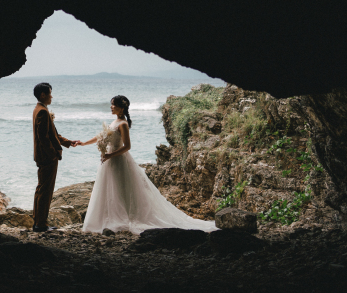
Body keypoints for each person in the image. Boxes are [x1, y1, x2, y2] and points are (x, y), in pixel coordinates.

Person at [79, 95, 217, 235]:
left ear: (122, 108)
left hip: (117, 160)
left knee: (119, 189)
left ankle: (122, 218)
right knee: (108, 189)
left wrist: (109, 155)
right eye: (111, 104)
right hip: (108, 161)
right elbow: (101, 137)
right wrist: (84, 143)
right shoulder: (113, 122)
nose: (111, 107)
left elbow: (127, 146)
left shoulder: (123, 124)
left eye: (113, 104)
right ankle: (108, 218)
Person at [31, 82, 81, 232]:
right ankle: (41, 224)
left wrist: (67, 142)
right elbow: (43, 137)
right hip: (47, 157)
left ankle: (37, 222)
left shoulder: (38, 109)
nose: (52, 96)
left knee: (41, 189)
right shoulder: (43, 112)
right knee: (45, 190)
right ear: (43, 95)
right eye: (50, 93)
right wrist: (53, 154)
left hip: (42, 156)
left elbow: (53, 133)